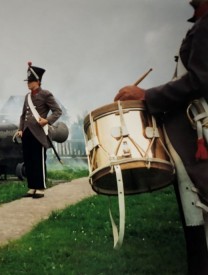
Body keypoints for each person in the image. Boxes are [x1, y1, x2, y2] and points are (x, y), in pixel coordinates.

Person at [114, 1, 208, 273]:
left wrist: (147, 96)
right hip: (193, 131)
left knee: (198, 208)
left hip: (197, 134)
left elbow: (201, 80)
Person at [17, 62, 62, 199]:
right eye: (28, 81)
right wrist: (20, 129)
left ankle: (40, 187)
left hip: (39, 133)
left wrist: (47, 120)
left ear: (37, 81)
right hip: (27, 132)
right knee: (29, 160)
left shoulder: (46, 94)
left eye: (30, 81)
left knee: (38, 161)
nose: (28, 84)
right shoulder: (27, 97)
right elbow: (23, 115)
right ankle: (32, 187)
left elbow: (57, 111)